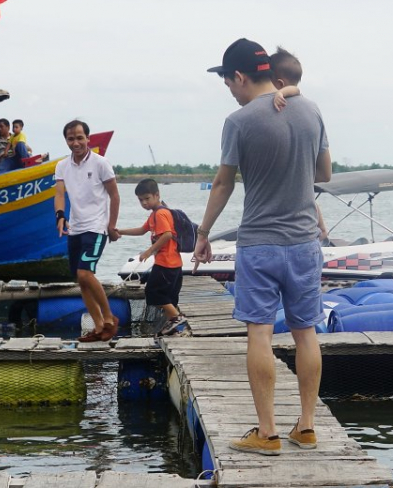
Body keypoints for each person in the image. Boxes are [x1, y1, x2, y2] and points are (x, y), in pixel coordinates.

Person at [196, 38, 332, 456]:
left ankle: (268, 432)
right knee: (305, 332)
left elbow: (222, 183)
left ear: (240, 76)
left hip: (259, 244)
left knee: (259, 331)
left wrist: (202, 233)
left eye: (228, 83)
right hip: (305, 242)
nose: (231, 92)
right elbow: (323, 174)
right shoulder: (311, 110)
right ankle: (306, 427)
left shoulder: (238, 122)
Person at [54, 119, 121, 342]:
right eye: (71, 139)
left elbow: (114, 195)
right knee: (81, 279)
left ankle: (110, 319)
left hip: (96, 227)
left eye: (80, 138)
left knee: (85, 273)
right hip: (76, 228)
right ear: (66, 141)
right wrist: (60, 216)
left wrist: (111, 225)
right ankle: (99, 326)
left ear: (88, 139)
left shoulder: (101, 163)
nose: (76, 143)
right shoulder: (62, 166)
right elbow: (60, 195)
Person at [269, 47, 328, 243]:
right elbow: (324, 176)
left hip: (272, 233)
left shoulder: (270, 106)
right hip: (304, 234)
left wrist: (281, 92)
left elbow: (294, 89)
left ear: (278, 83)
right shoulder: (313, 110)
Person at [116, 178, 186, 337]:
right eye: (141, 200)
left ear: (157, 195)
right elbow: (142, 230)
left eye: (147, 199)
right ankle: (173, 329)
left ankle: (176, 318)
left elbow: (167, 235)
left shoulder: (161, 213)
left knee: (153, 292)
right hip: (174, 264)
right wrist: (120, 231)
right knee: (169, 297)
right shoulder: (155, 215)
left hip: (166, 263)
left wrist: (149, 251)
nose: (144, 203)